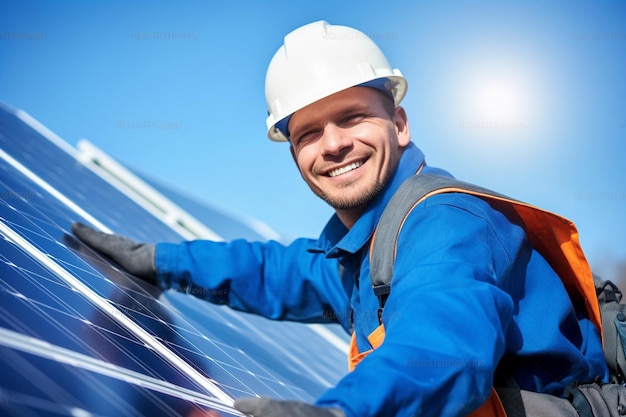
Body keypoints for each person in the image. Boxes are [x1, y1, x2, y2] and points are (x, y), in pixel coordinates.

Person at [72, 21, 608, 417]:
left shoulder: (446, 224)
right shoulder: (367, 249)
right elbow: (277, 270)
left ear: (398, 122)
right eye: (308, 133)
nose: (332, 145)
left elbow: (440, 344)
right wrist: (160, 263)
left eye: (352, 117)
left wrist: (342, 414)